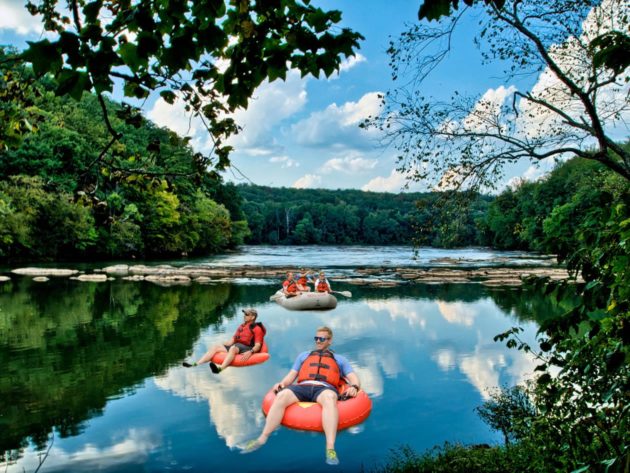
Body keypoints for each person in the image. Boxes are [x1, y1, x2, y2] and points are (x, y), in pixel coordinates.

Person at [241, 326, 361, 466]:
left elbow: (353, 378)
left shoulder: (340, 359)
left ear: (330, 341)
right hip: (302, 387)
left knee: (329, 398)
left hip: (324, 388)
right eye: (316, 338)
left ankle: (330, 448)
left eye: (322, 339)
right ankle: (262, 438)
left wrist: (354, 387)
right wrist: (281, 384)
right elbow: (291, 376)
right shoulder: (303, 356)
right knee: (282, 396)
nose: (318, 341)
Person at [182, 308, 265, 374]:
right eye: (244, 314)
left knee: (233, 348)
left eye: (247, 314)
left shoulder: (257, 328)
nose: (244, 316)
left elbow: (258, 345)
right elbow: (232, 340)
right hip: (237, 345)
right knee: (216, 346)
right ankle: (195, 364)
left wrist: (251, 351)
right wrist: (221, 343)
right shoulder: (241, 326)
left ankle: (220, 369)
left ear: (253, 317)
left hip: (247, 347)